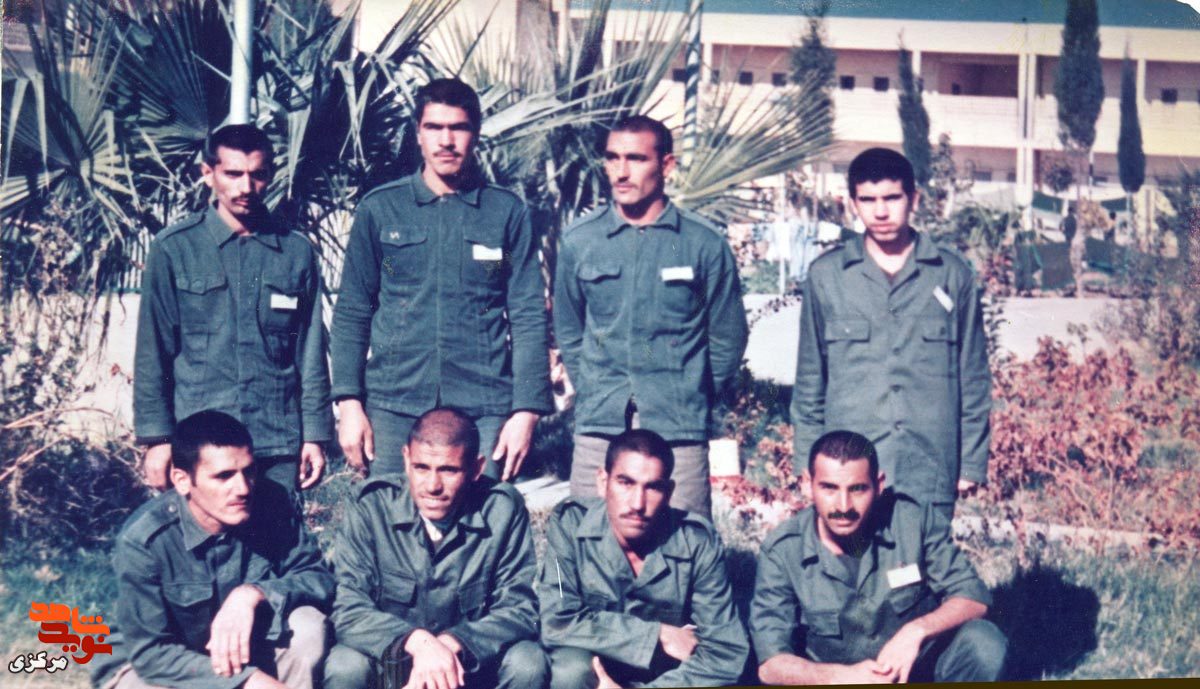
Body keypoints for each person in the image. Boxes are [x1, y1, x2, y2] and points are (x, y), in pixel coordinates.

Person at [331, 78, 552, 481]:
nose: (446, 141)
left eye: (459, 128)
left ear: (476, 133)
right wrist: (349, 403)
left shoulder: (505, 213)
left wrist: (526, 410)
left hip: (484, 404)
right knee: (390, 510)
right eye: (434, 127)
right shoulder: (381, 209)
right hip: (394, 403)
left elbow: (528, 314)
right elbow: (353, 310)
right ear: (418, 133)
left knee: (485, 511)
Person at [553, 115, 748, 518]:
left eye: (636, 159)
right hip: (600, 423)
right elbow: (570, 329)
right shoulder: (581, 240)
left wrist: (690, 391)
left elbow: (727, 336)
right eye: (613, 158)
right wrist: (591, 384)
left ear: (667, 165)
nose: (621, 172)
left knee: (686, 536)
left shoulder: (701, 243)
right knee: (587, 531)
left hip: (678, 425)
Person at [134, 124, 333, 502]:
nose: (246, 187)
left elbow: (310, 353)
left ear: (270, 175)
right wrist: (157, 438)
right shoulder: (174, 249)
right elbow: (152, 350)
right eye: (233, 174)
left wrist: (315, 435)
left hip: (274, 441)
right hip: (200, 442)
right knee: (201, 536)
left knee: (277, 534)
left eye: (257, 175)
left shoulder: (295, 252)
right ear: (208, 173)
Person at [790, 147, 991, 518]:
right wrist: (807, 461)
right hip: (848, 469)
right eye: (868, 200)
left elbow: (974, 378)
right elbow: (809, 381)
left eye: (892, 198)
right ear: (853, 203)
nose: (880, 212)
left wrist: (971, 463)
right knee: (851, 555)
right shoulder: (827, 276)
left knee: (926, 554)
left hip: (929, 464)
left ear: (914, 199)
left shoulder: (951, 274)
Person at [92, 411, 334, 689]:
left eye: (249, 471)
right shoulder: (145, 540)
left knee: (307, 627)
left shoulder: (271, 505)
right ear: (182, 480)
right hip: (158, 667)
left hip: (241, 651)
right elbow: (150, 654)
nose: (242, 488)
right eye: (223, 476)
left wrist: (252, 594)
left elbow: (318, 578)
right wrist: (248, 681)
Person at [752, 430, 1007, 685]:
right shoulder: (782, 551)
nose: (843, 506)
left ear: (878, 485)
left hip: (915, 674)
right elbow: (770, 663)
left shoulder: (913, 521)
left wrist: (916, 632)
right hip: (837, 683)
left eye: (858, 489)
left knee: (983, 643)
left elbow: (973, 597)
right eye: (829, 488)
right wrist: (841, 677)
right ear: (808, 484)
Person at [324, 408, 547, 689]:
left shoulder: (502, 509)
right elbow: (348, 607)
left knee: (528, 662)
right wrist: (419, 643)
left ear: (476, 469)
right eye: (421, 467)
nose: (432, 486)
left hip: (469, 665)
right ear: (406, 459)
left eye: (449, 470)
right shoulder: (371, 506)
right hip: (393, 663)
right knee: (345, 665)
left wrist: (453, 643)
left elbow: (520, 607)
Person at [539, 429, 749, 688]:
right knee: (570, 671)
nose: (638, 503)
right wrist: (658, 635)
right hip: (594, 672)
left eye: (653, 487)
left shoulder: (696, 542)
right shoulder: (570, 526)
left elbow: (726, 650)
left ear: (669, 492)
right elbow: (557, 618)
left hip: (665, 679)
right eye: (625, 483)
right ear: (603, 482)